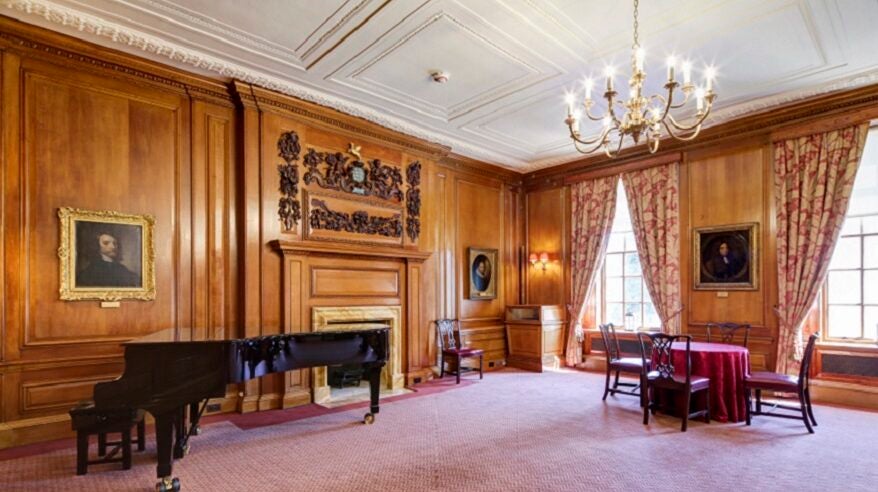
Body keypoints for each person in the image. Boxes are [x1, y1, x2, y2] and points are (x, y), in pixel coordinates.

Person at [76, 231, 141, 287]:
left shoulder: (122, 268)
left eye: (114, 243)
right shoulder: (90, 271)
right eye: (106, 243)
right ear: (96, 246)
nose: (113, 247)